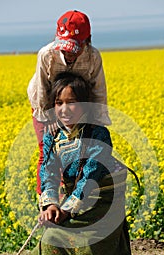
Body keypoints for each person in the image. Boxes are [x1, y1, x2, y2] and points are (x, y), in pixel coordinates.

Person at [25, 72, 154, 255]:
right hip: (74, 200)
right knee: (48, 241)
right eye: (59, 103)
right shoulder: (53, 136)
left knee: (101, 254)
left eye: (71, 102)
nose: (64, 109)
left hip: (105, 200)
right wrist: (50, 205)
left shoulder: (98, 133)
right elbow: (48, 172)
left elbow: (92, 174)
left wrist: (66, 209)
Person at [27, 9, 110, 195]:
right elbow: (42, 90)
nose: (68, 53)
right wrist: (49, 120)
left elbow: (98, 91)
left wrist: (96, 123)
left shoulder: (93, 56)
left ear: (87, 41)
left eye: (74, 48)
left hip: (77, 104)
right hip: (47, 104)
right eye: (64, 46)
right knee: (48, 150)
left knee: (79, 148)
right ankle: (45, 199)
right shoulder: (46, 54)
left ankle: (71, 193)